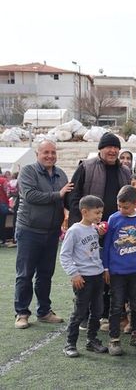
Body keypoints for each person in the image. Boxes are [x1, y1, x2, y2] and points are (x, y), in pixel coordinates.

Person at [14, 140, 73, 329]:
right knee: (25, 274)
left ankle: (44, 311)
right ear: (37, 154)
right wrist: (59, 194)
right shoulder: (28, 171)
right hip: (29, 231)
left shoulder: (60, 174)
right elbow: (30, 196)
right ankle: (22, 312)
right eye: (46, 152)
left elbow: (67, 199)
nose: (50, 156)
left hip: (51, 232)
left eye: (53, 152)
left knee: (46, 274)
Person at [102, 185, 136, 355]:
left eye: (125, 207)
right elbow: (107, 246)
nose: (122, 210)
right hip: (116, 273)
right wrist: (106, 268)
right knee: (116, 306)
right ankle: (114, 339)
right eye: (119, 206)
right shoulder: (113, 219)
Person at [60, 195, 108, 357]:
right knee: (79, 312)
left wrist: (100, 234)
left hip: (97, 276)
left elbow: (92, 249)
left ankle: (92, 340)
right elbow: (64, 255)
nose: (99, 216)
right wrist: (74, 274)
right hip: (83, 279)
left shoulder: (94, 228)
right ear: (84, 212)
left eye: (101, 213)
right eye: (96, 213)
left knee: (97, 311)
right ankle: (70, 344)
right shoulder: (74, 230)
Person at [68, 132, 131, 227]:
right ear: (100, 149)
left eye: (116, 147)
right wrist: (83, 222)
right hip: (90, 226)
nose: (113, 151)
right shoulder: (86, 167)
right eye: (109, 147)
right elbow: (73, 197)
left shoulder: (125, 171)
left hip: (117, 225)